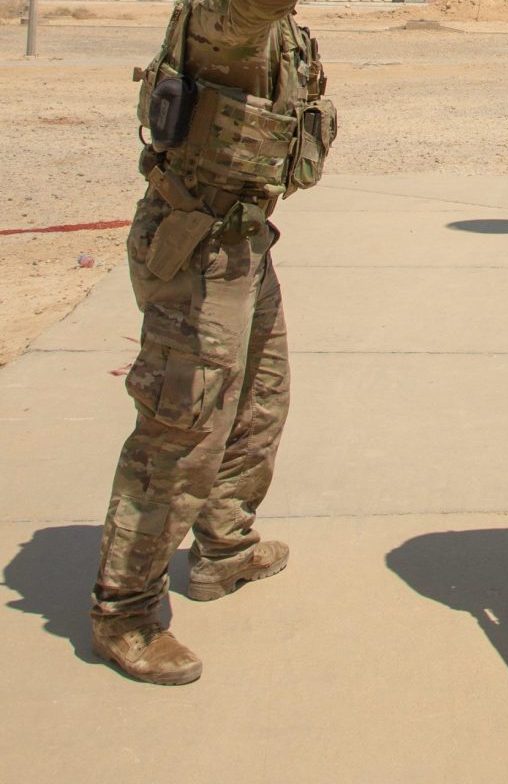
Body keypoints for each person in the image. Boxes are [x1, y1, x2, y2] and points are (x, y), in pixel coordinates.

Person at [91, 0, 335, 685]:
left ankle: (224, 546)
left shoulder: (277, 30)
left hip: (241, 239)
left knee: (261, 403)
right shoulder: (223, 12)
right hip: (195, 244)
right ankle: (125, 612)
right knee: (182, 429)